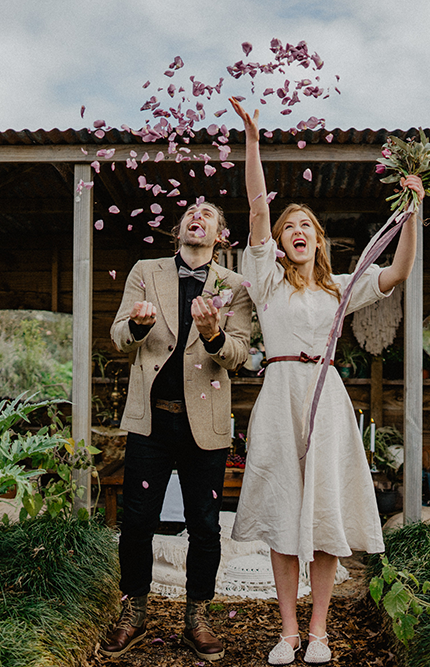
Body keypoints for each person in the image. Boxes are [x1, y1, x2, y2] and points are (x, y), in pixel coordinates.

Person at [228, 98, 424, 665]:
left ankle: (319, 631)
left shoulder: (341, 286)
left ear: (317, 238)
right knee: (285, 513)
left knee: (321, 514)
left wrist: (411, 213)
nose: (294, 231)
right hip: (280, 393)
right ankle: (287, 632)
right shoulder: (264, 282)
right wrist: (254, 143)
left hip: (326, 396)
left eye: (303, 227)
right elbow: (256, 211)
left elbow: (399, 270)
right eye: (288, 227)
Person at [104, 201, 252, 662]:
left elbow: (241, 353)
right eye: (191, 211)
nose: (198, 217)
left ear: (220, 234)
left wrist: (213, 336)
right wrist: (137, 324)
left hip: (204, 424)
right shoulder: (145, 270)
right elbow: (117, 335)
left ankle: (197, 617)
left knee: (204, 526)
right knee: (138, 522)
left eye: (209, 214)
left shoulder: (234, 285)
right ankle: (135, 612)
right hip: (151, 420)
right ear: (178, 229)